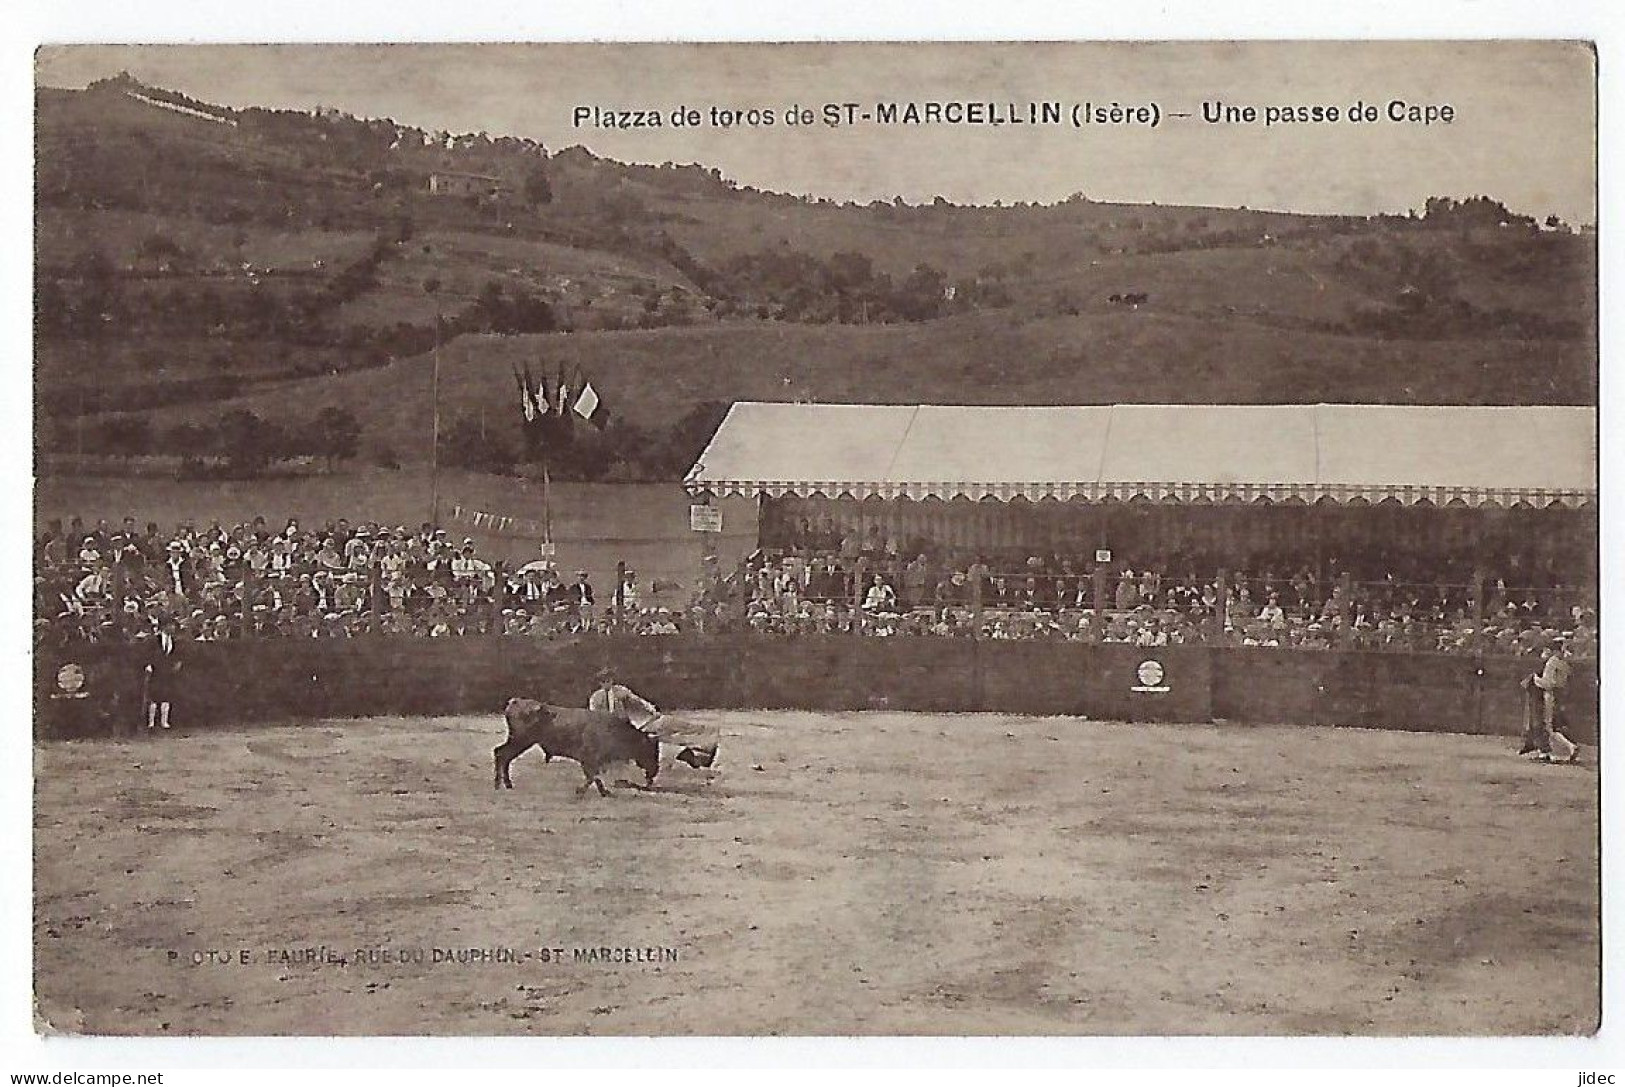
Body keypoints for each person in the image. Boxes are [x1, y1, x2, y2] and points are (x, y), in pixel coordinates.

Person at [143, 621, 182, 732]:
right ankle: (151, 722)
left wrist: (177, 664)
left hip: (168, 671)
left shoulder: (173, 641)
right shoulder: (154, 640)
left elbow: (175, 654)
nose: (173, 628)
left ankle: (164, 722)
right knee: (153, 696)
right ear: (164, 626)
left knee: (167, 695)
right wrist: (148, 665)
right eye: (171, 625)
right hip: (155, 670)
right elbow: (147, 653)